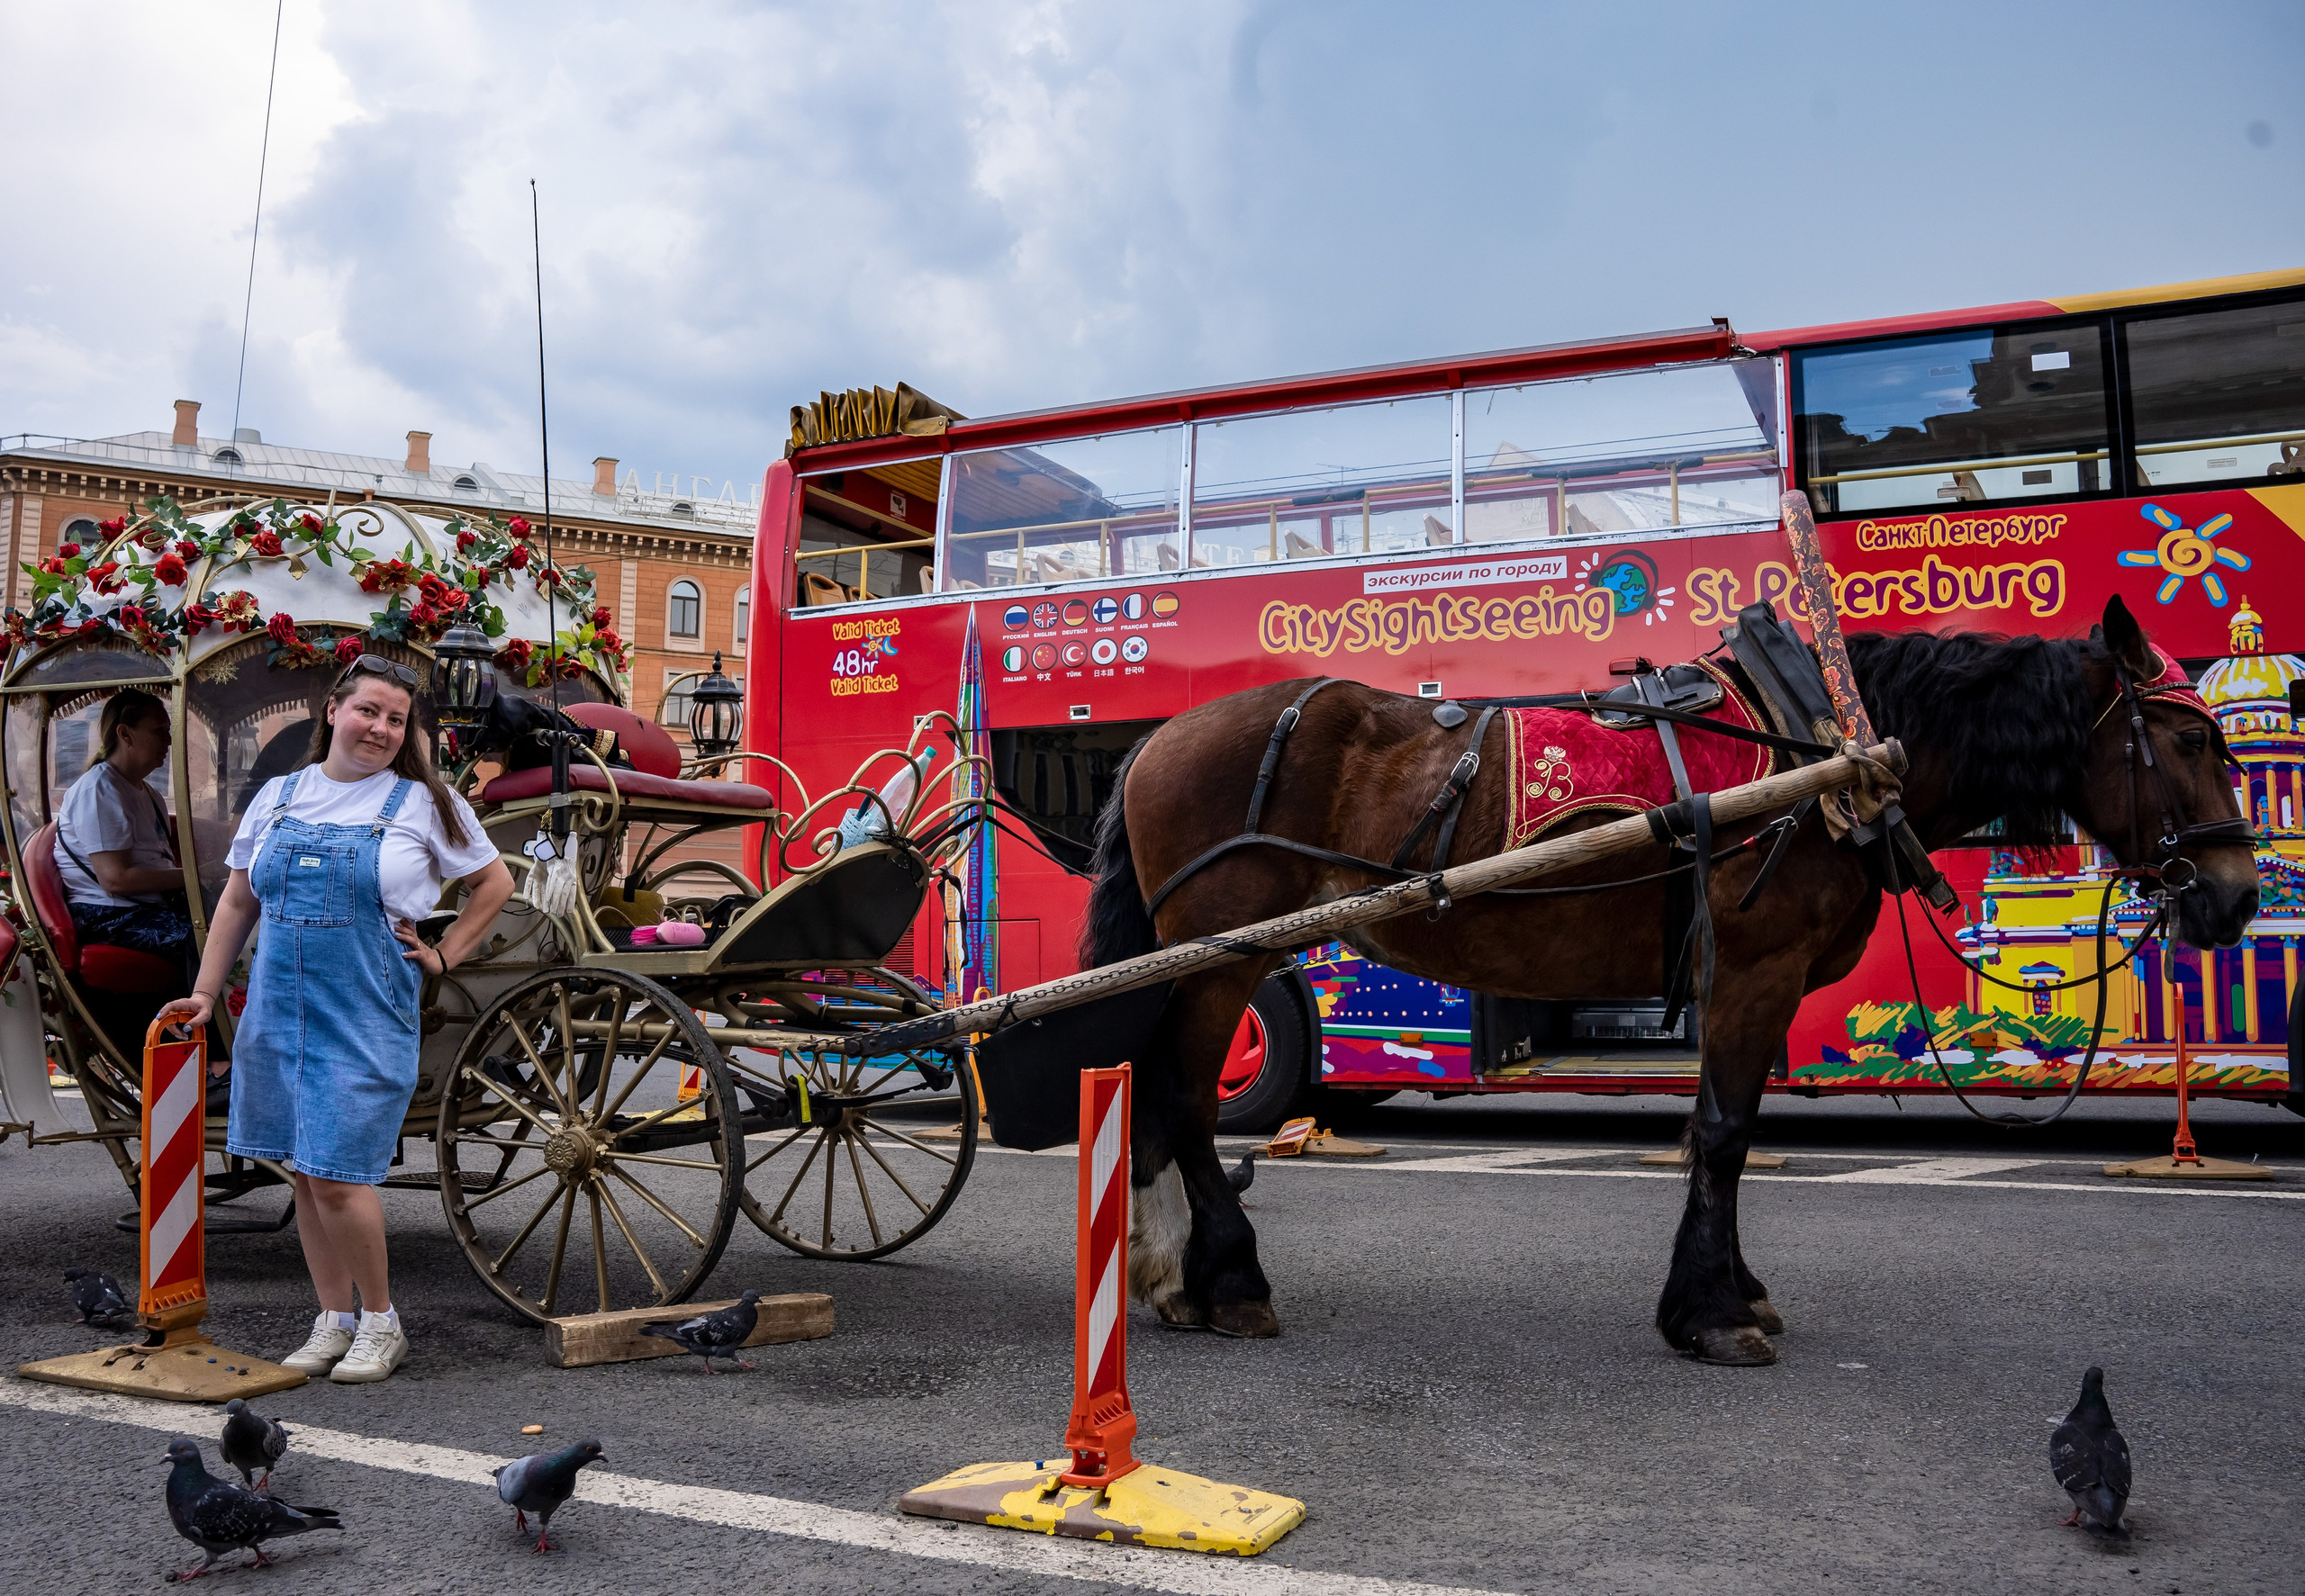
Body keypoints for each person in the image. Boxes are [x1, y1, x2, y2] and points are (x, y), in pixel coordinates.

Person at [158, 655, 514, 1384]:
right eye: (368, 711)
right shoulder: (279, 796)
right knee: (301, 1170)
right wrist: (204, 990)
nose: (381, 728)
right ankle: (334, 1319)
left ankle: (381, 1322)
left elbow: (494, 880)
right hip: (277, 1009)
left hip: (366, 1009)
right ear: (333, 711)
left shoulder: (420, 802)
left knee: (339, 1176)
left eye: (395, 718)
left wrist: (444, 955)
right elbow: (236, 902)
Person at [55, 689, 194, 969]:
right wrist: (194, 877)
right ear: (125, 734)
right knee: (211, 940)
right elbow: (116, 880)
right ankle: (202, 1011)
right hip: (107, 914)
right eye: (159, 731)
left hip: (147, 906)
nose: (168, 740)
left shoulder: (148, 793)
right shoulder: (99, 790)